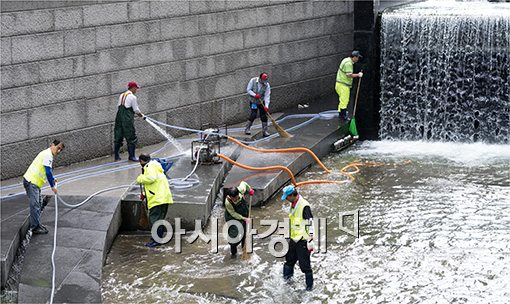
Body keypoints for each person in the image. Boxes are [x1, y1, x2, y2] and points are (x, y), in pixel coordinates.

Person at [23, 140, 65, 235]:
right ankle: (35, 228)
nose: (58, 151)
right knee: (35, 205)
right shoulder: (48, 155)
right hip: (31, 182)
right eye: (58, 148)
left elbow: (46, 171)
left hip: (34, 183)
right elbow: (48, 172)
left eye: (60, 150)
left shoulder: (47, 154)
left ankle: (37, 225)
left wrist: (52, 179)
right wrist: (52, 186)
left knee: (38, 204)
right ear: (52, 145)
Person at [281, 185, 315, 291]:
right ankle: (286, 282)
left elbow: (310, 223)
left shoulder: (304, 205)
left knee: (305, 267)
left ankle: (309, 289)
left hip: (303, 241)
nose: (286, 199)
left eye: (287, 197)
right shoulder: (293, 204)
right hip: (294, 238)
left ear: (292, 195)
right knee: (289, 261)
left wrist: (310, 240)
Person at [136, 154, 173, 247]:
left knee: (154, 220)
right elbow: (156, 184)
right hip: (164, 198)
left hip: (157, 200)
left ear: (141, 161)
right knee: (159, 220)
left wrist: (140, 178)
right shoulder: (157, 167)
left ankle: (156, 241)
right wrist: (145, 195)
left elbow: (151, 178)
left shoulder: (149, 166)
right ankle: (158, 239)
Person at [114, 81, 145, 162]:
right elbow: (136, 110)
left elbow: (120, 106)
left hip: (119, 118)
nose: (136, 90)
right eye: (136, 88)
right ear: (133, 88)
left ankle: (116, 156)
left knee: (118, 136)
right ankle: (132, 157)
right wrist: (142, 116)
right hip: (127, 120)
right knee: (131, 137)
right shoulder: (133, 97)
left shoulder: (121, 95)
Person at [224, 181, 254, 257]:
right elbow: (233, 213)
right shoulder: (228, 203)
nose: (235, 199)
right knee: (233, 237)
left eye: (236, 197)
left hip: (243, 212)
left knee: (244, 232)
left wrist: (250, 189)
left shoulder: (240, 190)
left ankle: (244, 250)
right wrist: (244, 218)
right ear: (230, 197)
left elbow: (244, 183)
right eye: (233, 198)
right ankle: (233, 254)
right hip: (232, 218)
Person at [335, 50, 363, 121]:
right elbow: (349, 75)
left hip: (339, 84)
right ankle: (343, 117)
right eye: (357, 57)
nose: (358, 59)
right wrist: (358, 75)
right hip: (343, 85)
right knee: (345, 100)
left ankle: (340, 115)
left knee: (342, 100)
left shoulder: (346, 60)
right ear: (354, 57)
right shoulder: (348, 63)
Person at [244, 73, 271, 137]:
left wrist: (266, 106)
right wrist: (254, 95)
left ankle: (265, 131)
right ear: (260, 78)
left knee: (264, 116)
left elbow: (267, 96)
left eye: (265, 80)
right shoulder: (253, 80)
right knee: (253, 114)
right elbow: (248, 90)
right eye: (263, 80)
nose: (264, 82)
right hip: (253, 101)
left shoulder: (267, 85)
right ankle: (247, 128)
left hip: (261, 101)